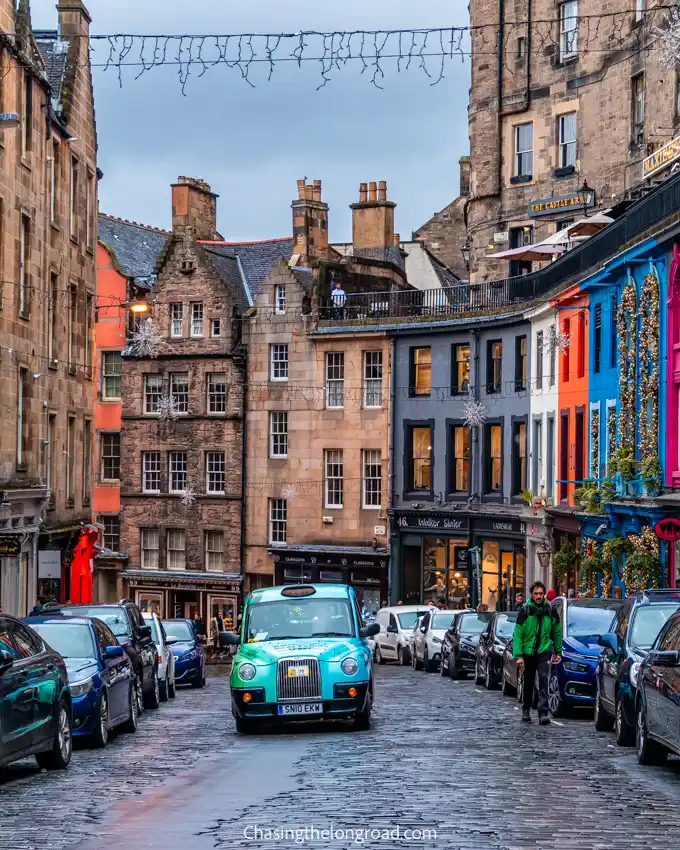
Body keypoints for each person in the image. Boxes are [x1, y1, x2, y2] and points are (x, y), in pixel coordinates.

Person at [513, 581, 562, 725]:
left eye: (541, 593)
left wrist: (558, 651)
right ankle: (526, 709)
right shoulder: (525, 610)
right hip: (528, 651)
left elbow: (556, 631)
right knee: (528, 682)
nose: (539, 596)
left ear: (544, 594)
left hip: (544, 650)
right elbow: (518, 633)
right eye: (536, 594)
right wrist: (519, 656)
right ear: (531, 594)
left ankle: (543, 712)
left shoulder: (550, 610)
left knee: (544, 680)